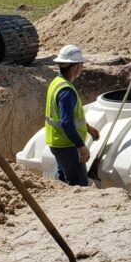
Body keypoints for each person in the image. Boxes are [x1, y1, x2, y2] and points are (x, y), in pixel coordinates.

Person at [46, 45, 101, 186]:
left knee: (63, 181)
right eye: (81, 64)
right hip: (67, 145)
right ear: (75, 67)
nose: (82, 68)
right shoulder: (66, 91)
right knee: (79, 185)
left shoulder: (56, 83)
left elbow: (68, 116)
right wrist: (81, 147)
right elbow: (66, 122)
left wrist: (87, 128)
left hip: (58, 143)